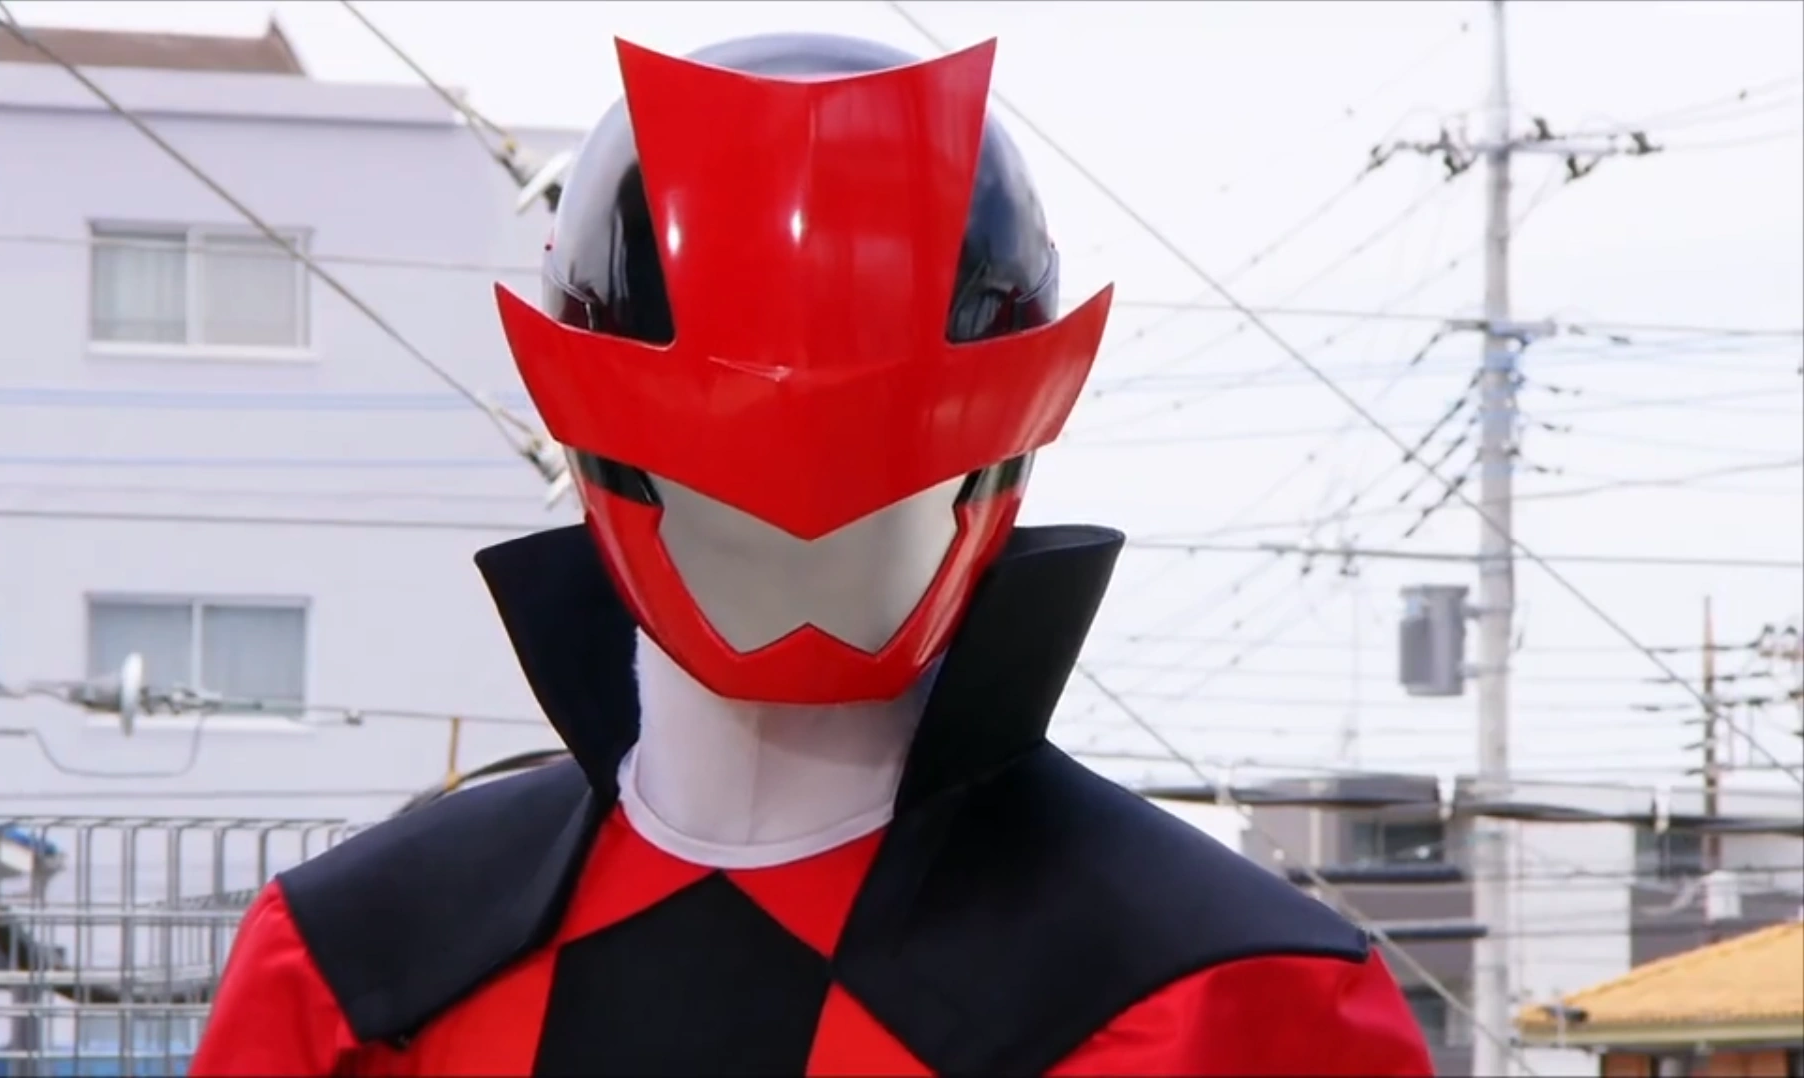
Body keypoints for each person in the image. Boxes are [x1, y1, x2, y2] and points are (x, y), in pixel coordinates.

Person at [190, 32, 1435, 1077]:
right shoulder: (356, 972)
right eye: (725, 487)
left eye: (876, 481)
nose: (798, 538)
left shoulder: (1230, 1001)